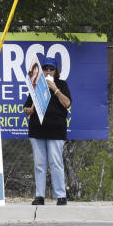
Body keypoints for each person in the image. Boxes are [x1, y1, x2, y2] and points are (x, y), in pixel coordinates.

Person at [23, 54, 72, 205]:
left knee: (56, 163)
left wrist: (55, 89)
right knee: (39, 164)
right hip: (37, 129)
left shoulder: (62, 84)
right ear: (41, 71)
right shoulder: (36, 85)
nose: (48, 71)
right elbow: (27, 105)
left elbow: (67, 104)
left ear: (56, 70)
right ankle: (39, 196)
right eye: (45, 69)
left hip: (56, 130)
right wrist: (27, 110)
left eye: (51, 68)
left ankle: (61, 196)